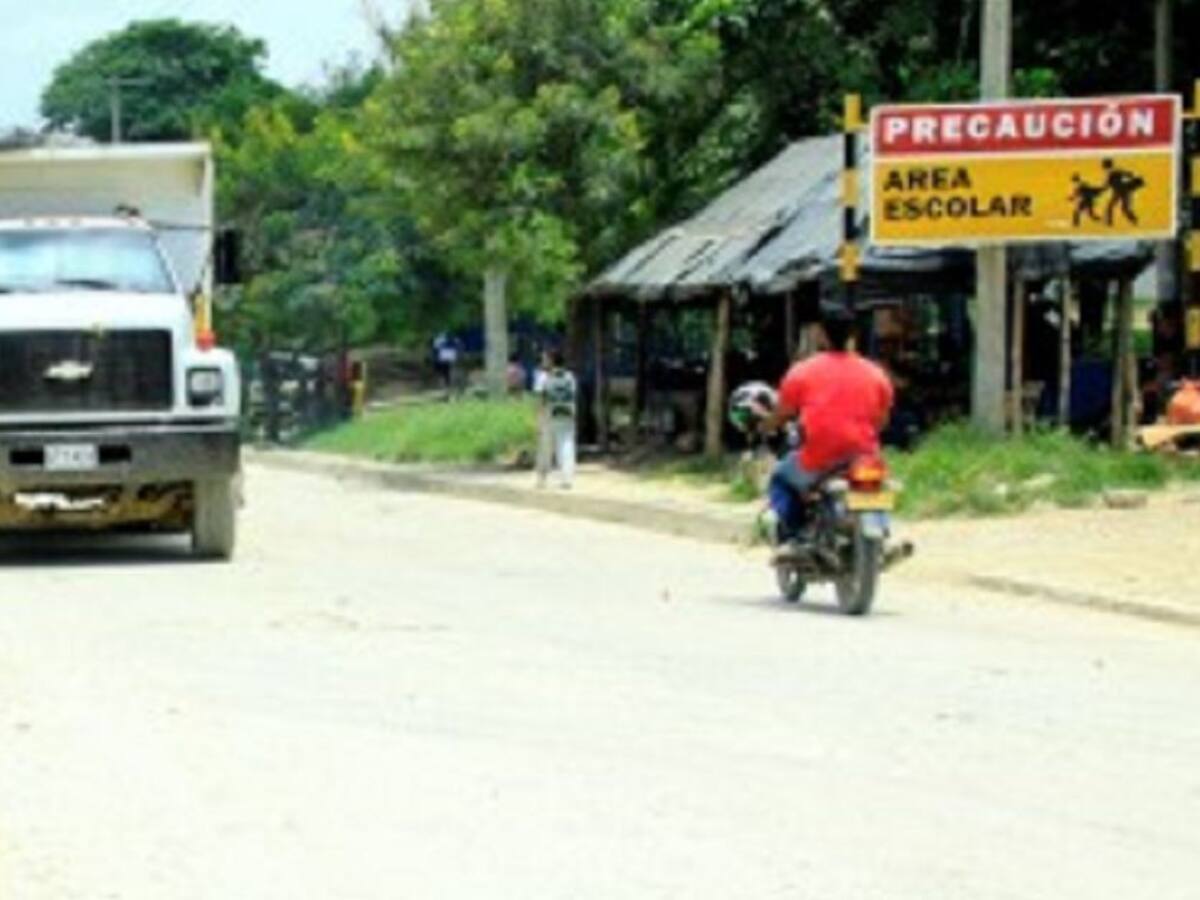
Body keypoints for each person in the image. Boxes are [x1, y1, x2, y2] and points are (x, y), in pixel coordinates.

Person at [755, 311, 894, 552]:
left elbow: (783, 413)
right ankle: (883, 535)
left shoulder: (802, 371)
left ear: (822, 337)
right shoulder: (876, 373)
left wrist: (765, 425)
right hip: (864, 455)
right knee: (875, 483)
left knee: (780, 478)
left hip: (818, 457)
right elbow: (881, 421)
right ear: (854, 337)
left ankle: (794, 536)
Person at [534, 349, 578, 489]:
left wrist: (538, 417)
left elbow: (541, 398)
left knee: (545, 447)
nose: (543, 362)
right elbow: (572, 394)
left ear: (551, 361)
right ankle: (567, 478)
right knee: (566, 444)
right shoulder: (570, 376)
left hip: (548, 413)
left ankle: (542, 478)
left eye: (545, 359)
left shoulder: (543, 377)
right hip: (567, 412)